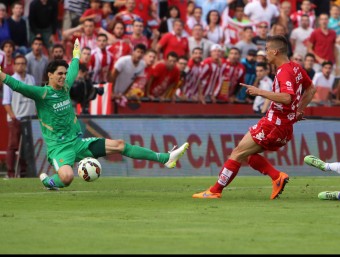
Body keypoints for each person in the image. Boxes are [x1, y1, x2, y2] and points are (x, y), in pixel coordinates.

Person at [0, 39, 189, 190]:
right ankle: (50, 182)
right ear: (49, 75)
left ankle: (165, 158)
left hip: (78, 142)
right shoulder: (42, 94)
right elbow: (18, 86)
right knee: (67, 178)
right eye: (59, 73)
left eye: (64, 73)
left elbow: (74, 69)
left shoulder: (65, 87)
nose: (63, 76)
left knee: (120, 145)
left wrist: (75, 55)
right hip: (59, 149)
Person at [192, 35, 316, 200]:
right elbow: (311, 89)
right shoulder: (296, 68)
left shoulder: (284, 71)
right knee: (248, 155)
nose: (265, 54)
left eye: (266, 50)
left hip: (273, 123)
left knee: (237, 153)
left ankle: (215, 191)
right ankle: (277, 177)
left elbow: (287, 97)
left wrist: (258, 91)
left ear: (275, 51)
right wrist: (298, 111)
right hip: (284, 126)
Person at [2, 55, 36, 178]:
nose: (21, 65)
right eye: (18, 63)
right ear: (14, 65)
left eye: (23, 63)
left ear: (26, 65)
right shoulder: (9, 80)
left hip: (30, 118)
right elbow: (6, 102)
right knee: (12, 146)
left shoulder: (31, 79)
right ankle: (10, 172)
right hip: (16, 118)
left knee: (27, 147)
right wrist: (13, 117)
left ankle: (24, 172)